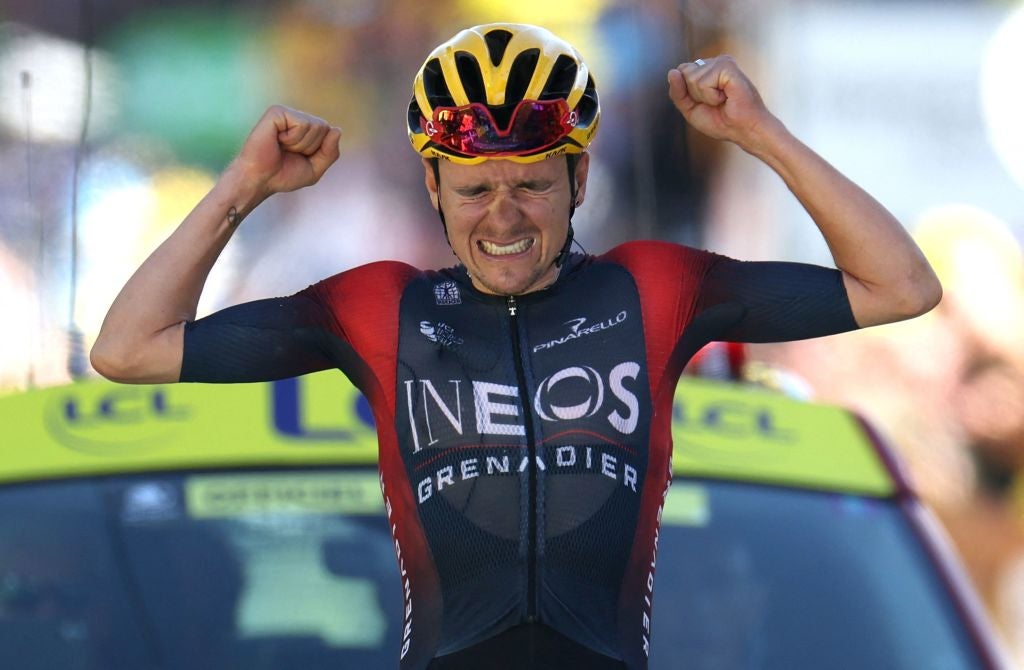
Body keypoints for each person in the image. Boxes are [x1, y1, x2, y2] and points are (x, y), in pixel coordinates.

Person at [91, 22, 941, 670]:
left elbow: (901, 287)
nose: (503, 216)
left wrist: (762, 136)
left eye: (533, 183)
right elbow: (127, 348)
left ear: (578, 179)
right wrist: (243, 186)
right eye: (473, 188)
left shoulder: (652, 289)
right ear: (431, 185)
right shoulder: (378, 307)